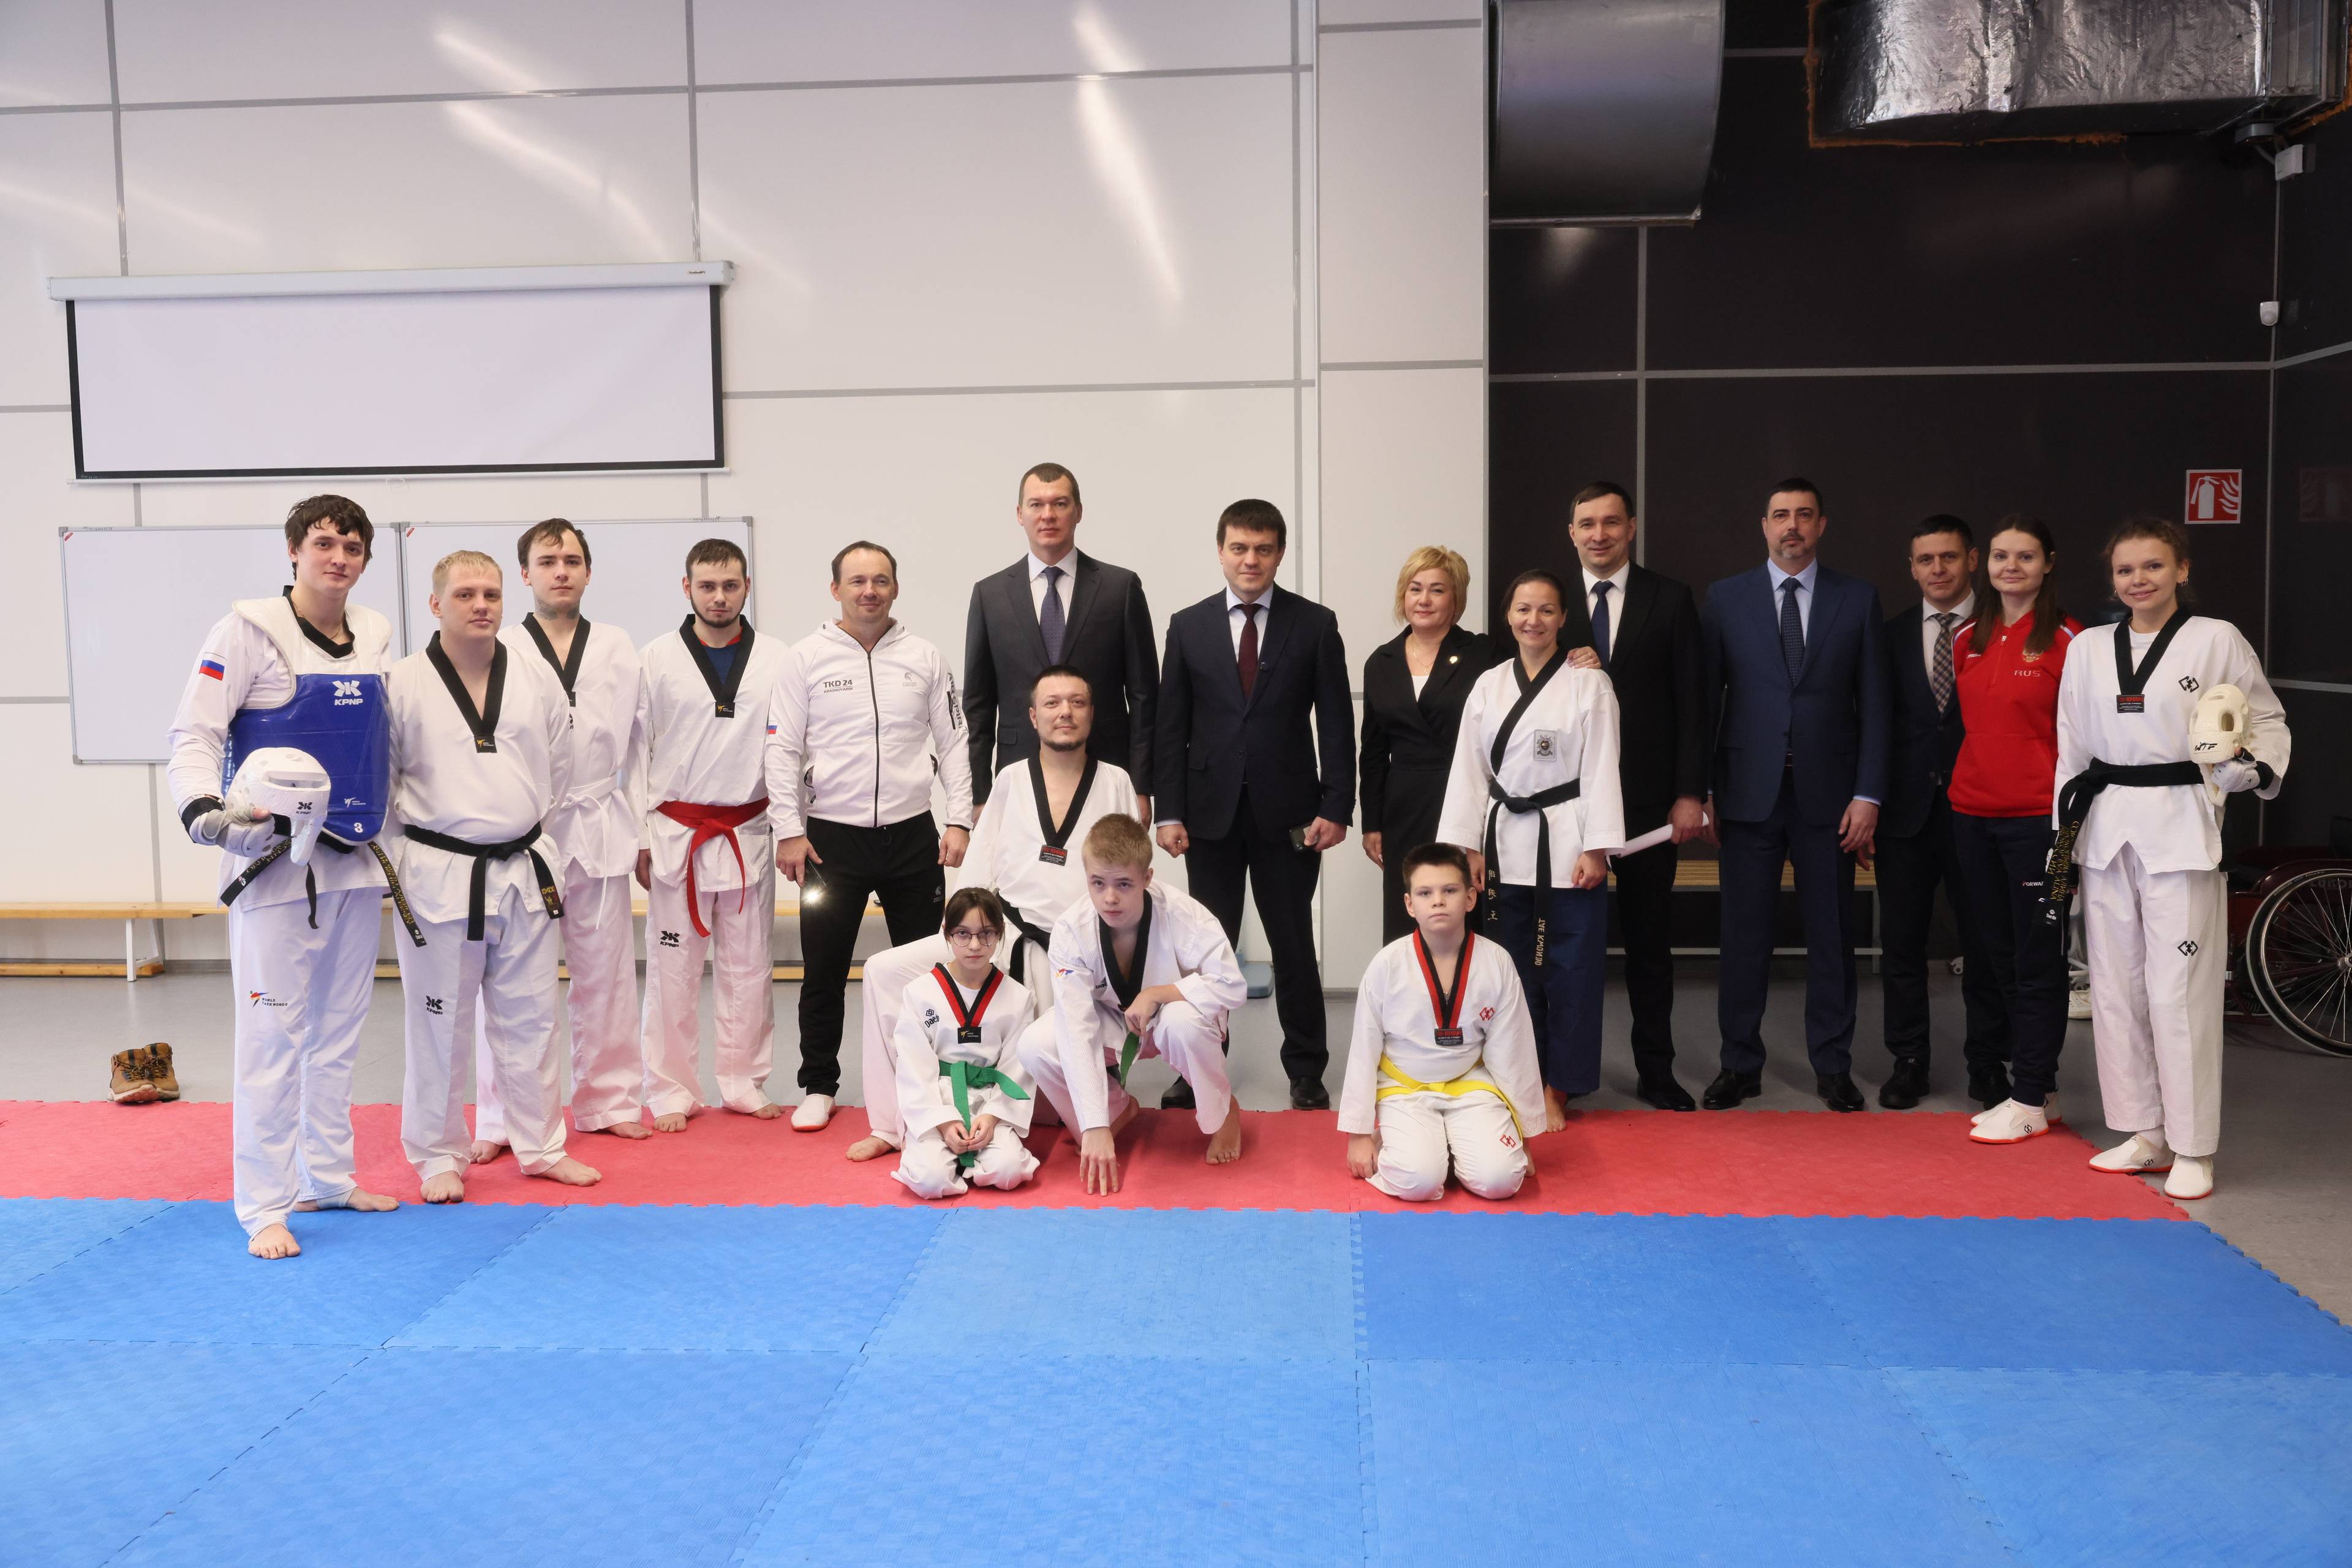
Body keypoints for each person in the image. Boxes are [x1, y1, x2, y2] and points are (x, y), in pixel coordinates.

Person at [166, 495, 404, 1259]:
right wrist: (200, 807)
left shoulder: (376, 635)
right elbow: (195, 732)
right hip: (273, 867)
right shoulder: (245, 632)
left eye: (353, 547)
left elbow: (383, 742)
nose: (339, 557)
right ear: (295, 550)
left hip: (354, 861)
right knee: (273, 1035)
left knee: (338, 1033)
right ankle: (263, 1205)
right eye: (325, 543)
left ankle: (326, 1177)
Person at [2051, 517, 2288, 1200]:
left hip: (2182, 827)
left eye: (2153, 566)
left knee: (2178, 993)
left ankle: (2193, 1145)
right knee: (2116, 989)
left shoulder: (2216, 639)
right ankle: (2143, 1131)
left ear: (2182, 570)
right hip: (2105, 827)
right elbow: (2070, 749)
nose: (2139, 580)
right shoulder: (2089, 648)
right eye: (2126, 570)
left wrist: (2248, 768)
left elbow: (2266, 720)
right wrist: (2062, 846)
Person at [846, 665, 1138, 1163]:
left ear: (1092, 713)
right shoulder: (1010, 780)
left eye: (1077, 702)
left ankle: (1106, 1104)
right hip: (1001, 936)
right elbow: (978, 872)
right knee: (883, 970)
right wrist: (959, 933)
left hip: (1077, 949)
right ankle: (891, 1125)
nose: (1065, 712)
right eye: (1052, 703)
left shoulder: (1115, 782)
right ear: (1034, 716)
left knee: (1056, 1090)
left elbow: (1128, 876)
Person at [388, 551, 600, 1202]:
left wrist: (518, 827)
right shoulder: (401, 683)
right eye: (465, 594)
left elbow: (558, 770)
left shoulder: (535, 678)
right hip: (437, 875)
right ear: (435, 604)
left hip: (522, 868)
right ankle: (437, 1154)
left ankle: (542, 1146)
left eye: (491, 594)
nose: (481, 605)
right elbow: (385, 781)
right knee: (439, 1022)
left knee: (533, 1018)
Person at [1153, 499, 1354, 1110]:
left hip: (1291, 816)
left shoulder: (1314, 624)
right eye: (1239, 548)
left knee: (1293, 945)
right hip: (1208, 817)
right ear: (1221, 552)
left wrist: (1337, 806)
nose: (1250, 560)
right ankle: (1197, 1065)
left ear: (1280, 554)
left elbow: (1337, 723)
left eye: (1263, 549)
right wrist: (1168, 811)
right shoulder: (1188, 626)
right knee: (1205, 950)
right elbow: (1171, 727)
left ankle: (1306, 1070)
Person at [768, 541, 974, 1131]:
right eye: (857, 581)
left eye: (880, 580)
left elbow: (954, 743)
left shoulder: (925, 657)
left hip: (912, 839)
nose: (869, 591)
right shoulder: (805, 659)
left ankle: (930, 1081)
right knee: (824, 968)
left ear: (895, 588)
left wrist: (959, 820)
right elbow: (781, 749)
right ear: (835, 589)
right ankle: (819, 1085)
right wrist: (788, 830)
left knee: (929, 968)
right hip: (831, 841)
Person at [1699, 477, 1890, 1112]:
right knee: (1743, 936)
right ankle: (1739, 1063)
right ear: (1764, 525)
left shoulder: (1857, 599)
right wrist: (1703, 789)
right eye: (1781, 515)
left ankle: (1833, 1065)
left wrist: (1868, 794)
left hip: (1830, 799)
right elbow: (1706, 702)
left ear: (1822, 525)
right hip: (1746, 795)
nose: (1792, 526)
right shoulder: (1725, 599)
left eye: (1805, 515)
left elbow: (1877, 706)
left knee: (1832, 936)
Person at [470, 519, 648, 1162]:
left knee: (607, 974)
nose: (561, 571)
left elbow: (640, 743)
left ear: (589, 571)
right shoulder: (501, 645)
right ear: (526, 573)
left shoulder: (617, 645)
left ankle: (611, 1101)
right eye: (548, 561)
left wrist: (643, 827)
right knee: (512, 982)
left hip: (599, 819)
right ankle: (499, 1116)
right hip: (528, 830)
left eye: (572, 560)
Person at [1438, 568, 1624, 1126]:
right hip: (1502, 848)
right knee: (1511, 974)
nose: (1533, 620)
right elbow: (1469, 770)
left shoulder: (1590, 684)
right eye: (1523, 609)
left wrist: (1598, 847)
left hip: (1567, 848)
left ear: (1564, 618)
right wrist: (1468, 846)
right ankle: (1515, 1075)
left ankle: (1559, 1086)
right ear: (1508, 616)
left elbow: (1602, 767)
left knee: (1571, 973)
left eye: (1546, 610)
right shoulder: (1489, 684)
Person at [1555, 481, 1709, 1111]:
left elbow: (1693, 703)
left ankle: (1657, 1071)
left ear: (1632, 527)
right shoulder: (1547, 601)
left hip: (1648, 805)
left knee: (1650, 945)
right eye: (1587, 523)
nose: (1599, 534)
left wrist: (1689, 793)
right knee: (1568, 949)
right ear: (1571, 532)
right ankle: (1562, 1075)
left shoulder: (1669, 598)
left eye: (1611, 522)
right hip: (1567, 807)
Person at [637, 538, 790, 1133]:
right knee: (672, 968)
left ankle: (743, 1081)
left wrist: (794, 826)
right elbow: (635, 753)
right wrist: (639, 837)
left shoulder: (778, 658)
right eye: (707, 586)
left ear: (747, 586)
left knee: (749, 968)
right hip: (676, 834)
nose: (719, 597)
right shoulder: (655, 658)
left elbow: (791, 750)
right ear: (688, 588)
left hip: (748, 830)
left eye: (730, 585)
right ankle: (671, 1088)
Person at [1020, 813, 1249, 1191]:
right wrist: (1093, 1124)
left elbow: (1232, 986)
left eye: (1124, 884)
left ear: (1147, 878)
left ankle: (1223, 1113)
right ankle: (1116, 1111)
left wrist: (1157, 994)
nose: (1109, 898)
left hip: (1173, 1019)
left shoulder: (1182, 913)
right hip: (1113, 1021)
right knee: (1034, 1045)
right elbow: (1076, 1027)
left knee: (1182, 1023)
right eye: (1098, 883)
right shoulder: (1071, 930)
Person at [1950, 514, 2082, 1145]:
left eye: (2025, 556)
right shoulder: (1968, 637)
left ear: (2048, 562)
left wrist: (2069, 827)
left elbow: (2084, 741)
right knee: (1997, 956)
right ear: (1987, 563)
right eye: (2002, 555)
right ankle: (2038, 1088)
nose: (2011, 567)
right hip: (1972, 814)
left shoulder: (2071, 639)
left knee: (2039, 959)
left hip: (2042, 823)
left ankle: (2028, 1096)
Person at [1875, 516, 2005, 1110]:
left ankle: (1988, 1063)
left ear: (1973, 560)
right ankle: (1909, 1060)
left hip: (1980, 810)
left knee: (1984, 941)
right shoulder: (1891, 634)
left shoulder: (2004, 629)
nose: (1937, 569)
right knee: (1902, 944)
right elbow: (1875, 725)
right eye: (1925, 559)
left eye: (1948, 557)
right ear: (1911, 567)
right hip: (1904, 816)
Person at [1339, 843, 1545, 1201]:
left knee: (1501, 1180)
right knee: (1417, 1181)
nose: (1438, 901)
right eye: (1425, 893)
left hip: (1471, 1084)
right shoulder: (1387, 965)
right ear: (1409, 904)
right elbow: (1363, 1050)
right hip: (1405, 1087)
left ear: (1470, 898)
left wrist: (1524, 1135)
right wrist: (1357, 1135)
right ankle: (1408, 1142)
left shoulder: (1497, 962)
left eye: (1449, 890)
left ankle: (1447, 1146)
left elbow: (1515, 1050)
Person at [963, 462, 1159, 820]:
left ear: (1079, 511)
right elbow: (978, 705)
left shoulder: (1120, 589)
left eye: (1060, 504)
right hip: (1018, 772)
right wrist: (980, 795)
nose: (1048, 515)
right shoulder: (990, 595)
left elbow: (1145, 696)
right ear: (1020, 514)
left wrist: (1141, 786)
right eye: (1036, 505)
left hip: (1106, 769)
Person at [1359, 546, 1501, 944]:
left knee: (1465, 912)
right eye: (1415, 588)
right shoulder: (1381, 661)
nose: (1424, 600)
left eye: (1437, 590)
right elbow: (1373, 751)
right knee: (1409, 917)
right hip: (1403, 806)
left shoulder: (1485, 654)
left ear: (1456, 599)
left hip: (1467, 799)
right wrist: (1372, 822)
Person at [889, 888, 1041, 1199]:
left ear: (1000, 933)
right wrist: (942, 1123)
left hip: (989, 1099)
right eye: (963, 934)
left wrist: (993, 1116)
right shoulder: (919, 992)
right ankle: (929, 1147)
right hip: (938, 1098)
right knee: (930, 1180)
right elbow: (913, 1067)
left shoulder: (1018, 997)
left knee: (1010, 1171)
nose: (975, 945)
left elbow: (1017, 1066)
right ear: (947, 933)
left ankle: (972, 1154)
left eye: (986, 934)